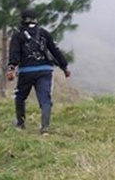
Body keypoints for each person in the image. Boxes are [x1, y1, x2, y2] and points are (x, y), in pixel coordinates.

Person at [5, 8, 70, 136]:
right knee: (45, 99)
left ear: (22, 20)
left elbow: (14, 54)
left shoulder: (18, 35)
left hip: (26, 72)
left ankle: (20, 123)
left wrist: (11, 67)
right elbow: (55, 51)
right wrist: (65, 67)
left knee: (20, 97)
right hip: (45, 71)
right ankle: (45, 128)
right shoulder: (44, 33)